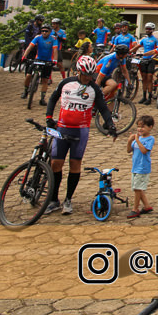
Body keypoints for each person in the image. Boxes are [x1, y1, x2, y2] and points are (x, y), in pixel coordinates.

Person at [43, 54, 115, 215]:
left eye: (91, 76)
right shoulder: (66, 83)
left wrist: (110, 124)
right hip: (62, 128)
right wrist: (48, 117)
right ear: (78, 72)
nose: (88, 78)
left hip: (80, 131)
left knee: (74, 165)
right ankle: (54, 199)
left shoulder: (94, 88)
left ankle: (68, 199)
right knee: (56, 164)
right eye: (86, 75)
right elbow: (53, 98)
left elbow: (103, 107)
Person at [22, 24, 59, 106]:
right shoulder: (37, 37)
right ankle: (25, 91)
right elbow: (29, 47)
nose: (44, 32)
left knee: (45, 80)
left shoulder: (53, 39)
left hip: (48, 60)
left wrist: (55, 60)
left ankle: (42, 98)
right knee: (28, 75)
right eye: (43, 31)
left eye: (46, 31)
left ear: (50, 32)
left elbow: (55, 50)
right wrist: (24, 56)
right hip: (38, 59)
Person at [126, 116, 155, 218]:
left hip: (143, 167)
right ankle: (146, 206)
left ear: (150, 127)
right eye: (138, 127)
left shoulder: (150, 139)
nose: (140, 129)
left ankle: (135, 208)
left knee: (137, 188)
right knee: (137, 188)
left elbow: (144, 151)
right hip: (135, 166)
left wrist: (137, 140)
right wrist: (130, 141)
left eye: (143, 127)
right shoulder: (137, 138)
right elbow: (129, 150)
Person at [136, 23, 158, 105]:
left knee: (149, 78)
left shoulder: (155, 39)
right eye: (146, 29)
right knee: (144, 79)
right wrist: (129, 52)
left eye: (149, 29)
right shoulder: (144, 39)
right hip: (144, 59)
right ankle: (144, 96)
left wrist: (153, 56)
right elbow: (137, 47)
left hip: (151, 60)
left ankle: (149, 97)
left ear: (152, 30)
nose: (147, 30)